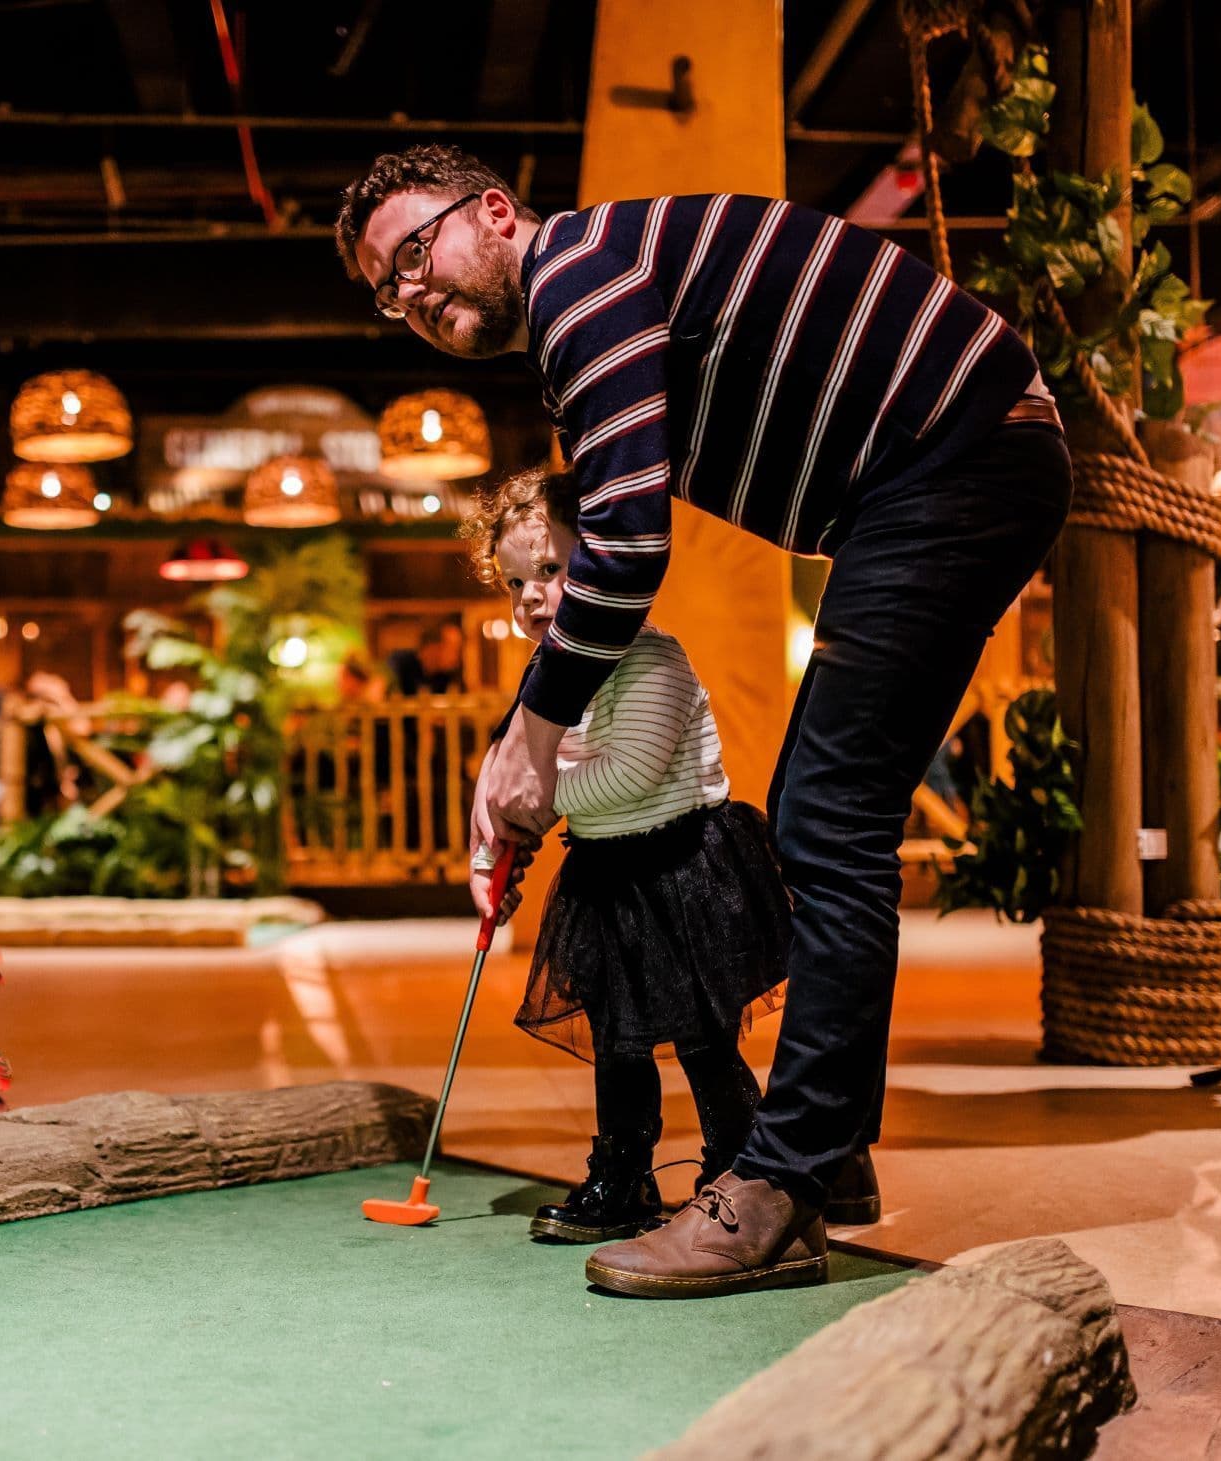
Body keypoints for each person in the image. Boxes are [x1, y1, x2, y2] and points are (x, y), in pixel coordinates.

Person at [337, 145, 1070, 1298]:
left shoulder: (578, 270)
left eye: (416, 250)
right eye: (388, 289)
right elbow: (615, 524)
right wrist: (522, 744)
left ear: (494, 211)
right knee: (835, 819)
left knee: (827, 824)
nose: (412, 292)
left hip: (952, 458)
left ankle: (777, 1194)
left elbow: (626, 544)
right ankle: (826, 1157)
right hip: (944, 469)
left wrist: (530, 738)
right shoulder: (591, 299)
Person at [464, 468, 791, 1246]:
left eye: (550, 569)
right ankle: (622, 1172)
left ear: (603, 564)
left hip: (683, 871)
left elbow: (630, 771)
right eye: (514, 582)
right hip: (607, 878)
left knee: (705, 1040)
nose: (531, 597)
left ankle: (740, 1166)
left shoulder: (650, 660)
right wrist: (492, 854)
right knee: (618, 1043)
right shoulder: (547, 681)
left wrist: (538, 798)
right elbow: (513, 765)